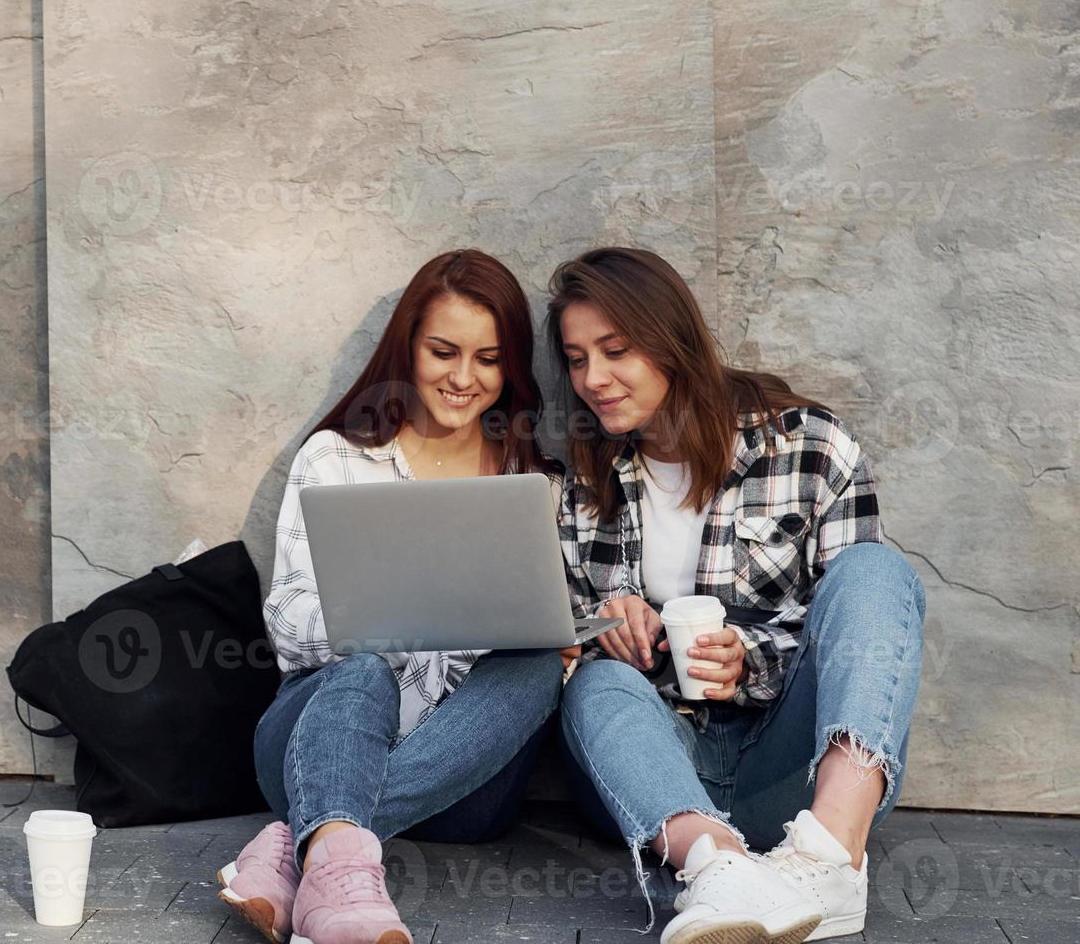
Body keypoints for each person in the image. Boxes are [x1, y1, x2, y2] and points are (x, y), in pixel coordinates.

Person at [546, 247, 926, 944]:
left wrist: (748, 656)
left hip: (795, 774)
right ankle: (719, 872)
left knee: (878, 570)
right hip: (655, 783)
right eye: (576, 359)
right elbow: (554, 649)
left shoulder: (811, 447)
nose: (593, 379)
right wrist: (604, 626)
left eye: (616, 350)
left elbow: (863, 628)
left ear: (672, 338)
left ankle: (831, 861)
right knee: (594, 684)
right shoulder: (581, 479)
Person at [217, 250, 575, 944]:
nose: (464, 379)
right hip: (307, 745)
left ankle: (303, 849)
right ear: (407, 344)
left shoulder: (529, 478)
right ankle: (340, 880)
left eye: (489, 360)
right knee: (360, 670)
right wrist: (399, 613)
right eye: (443, 352)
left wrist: (561, 636)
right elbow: (288, 626)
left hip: (463, 784)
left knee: (539, 670)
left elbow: (551, 616)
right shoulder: (337, 458)